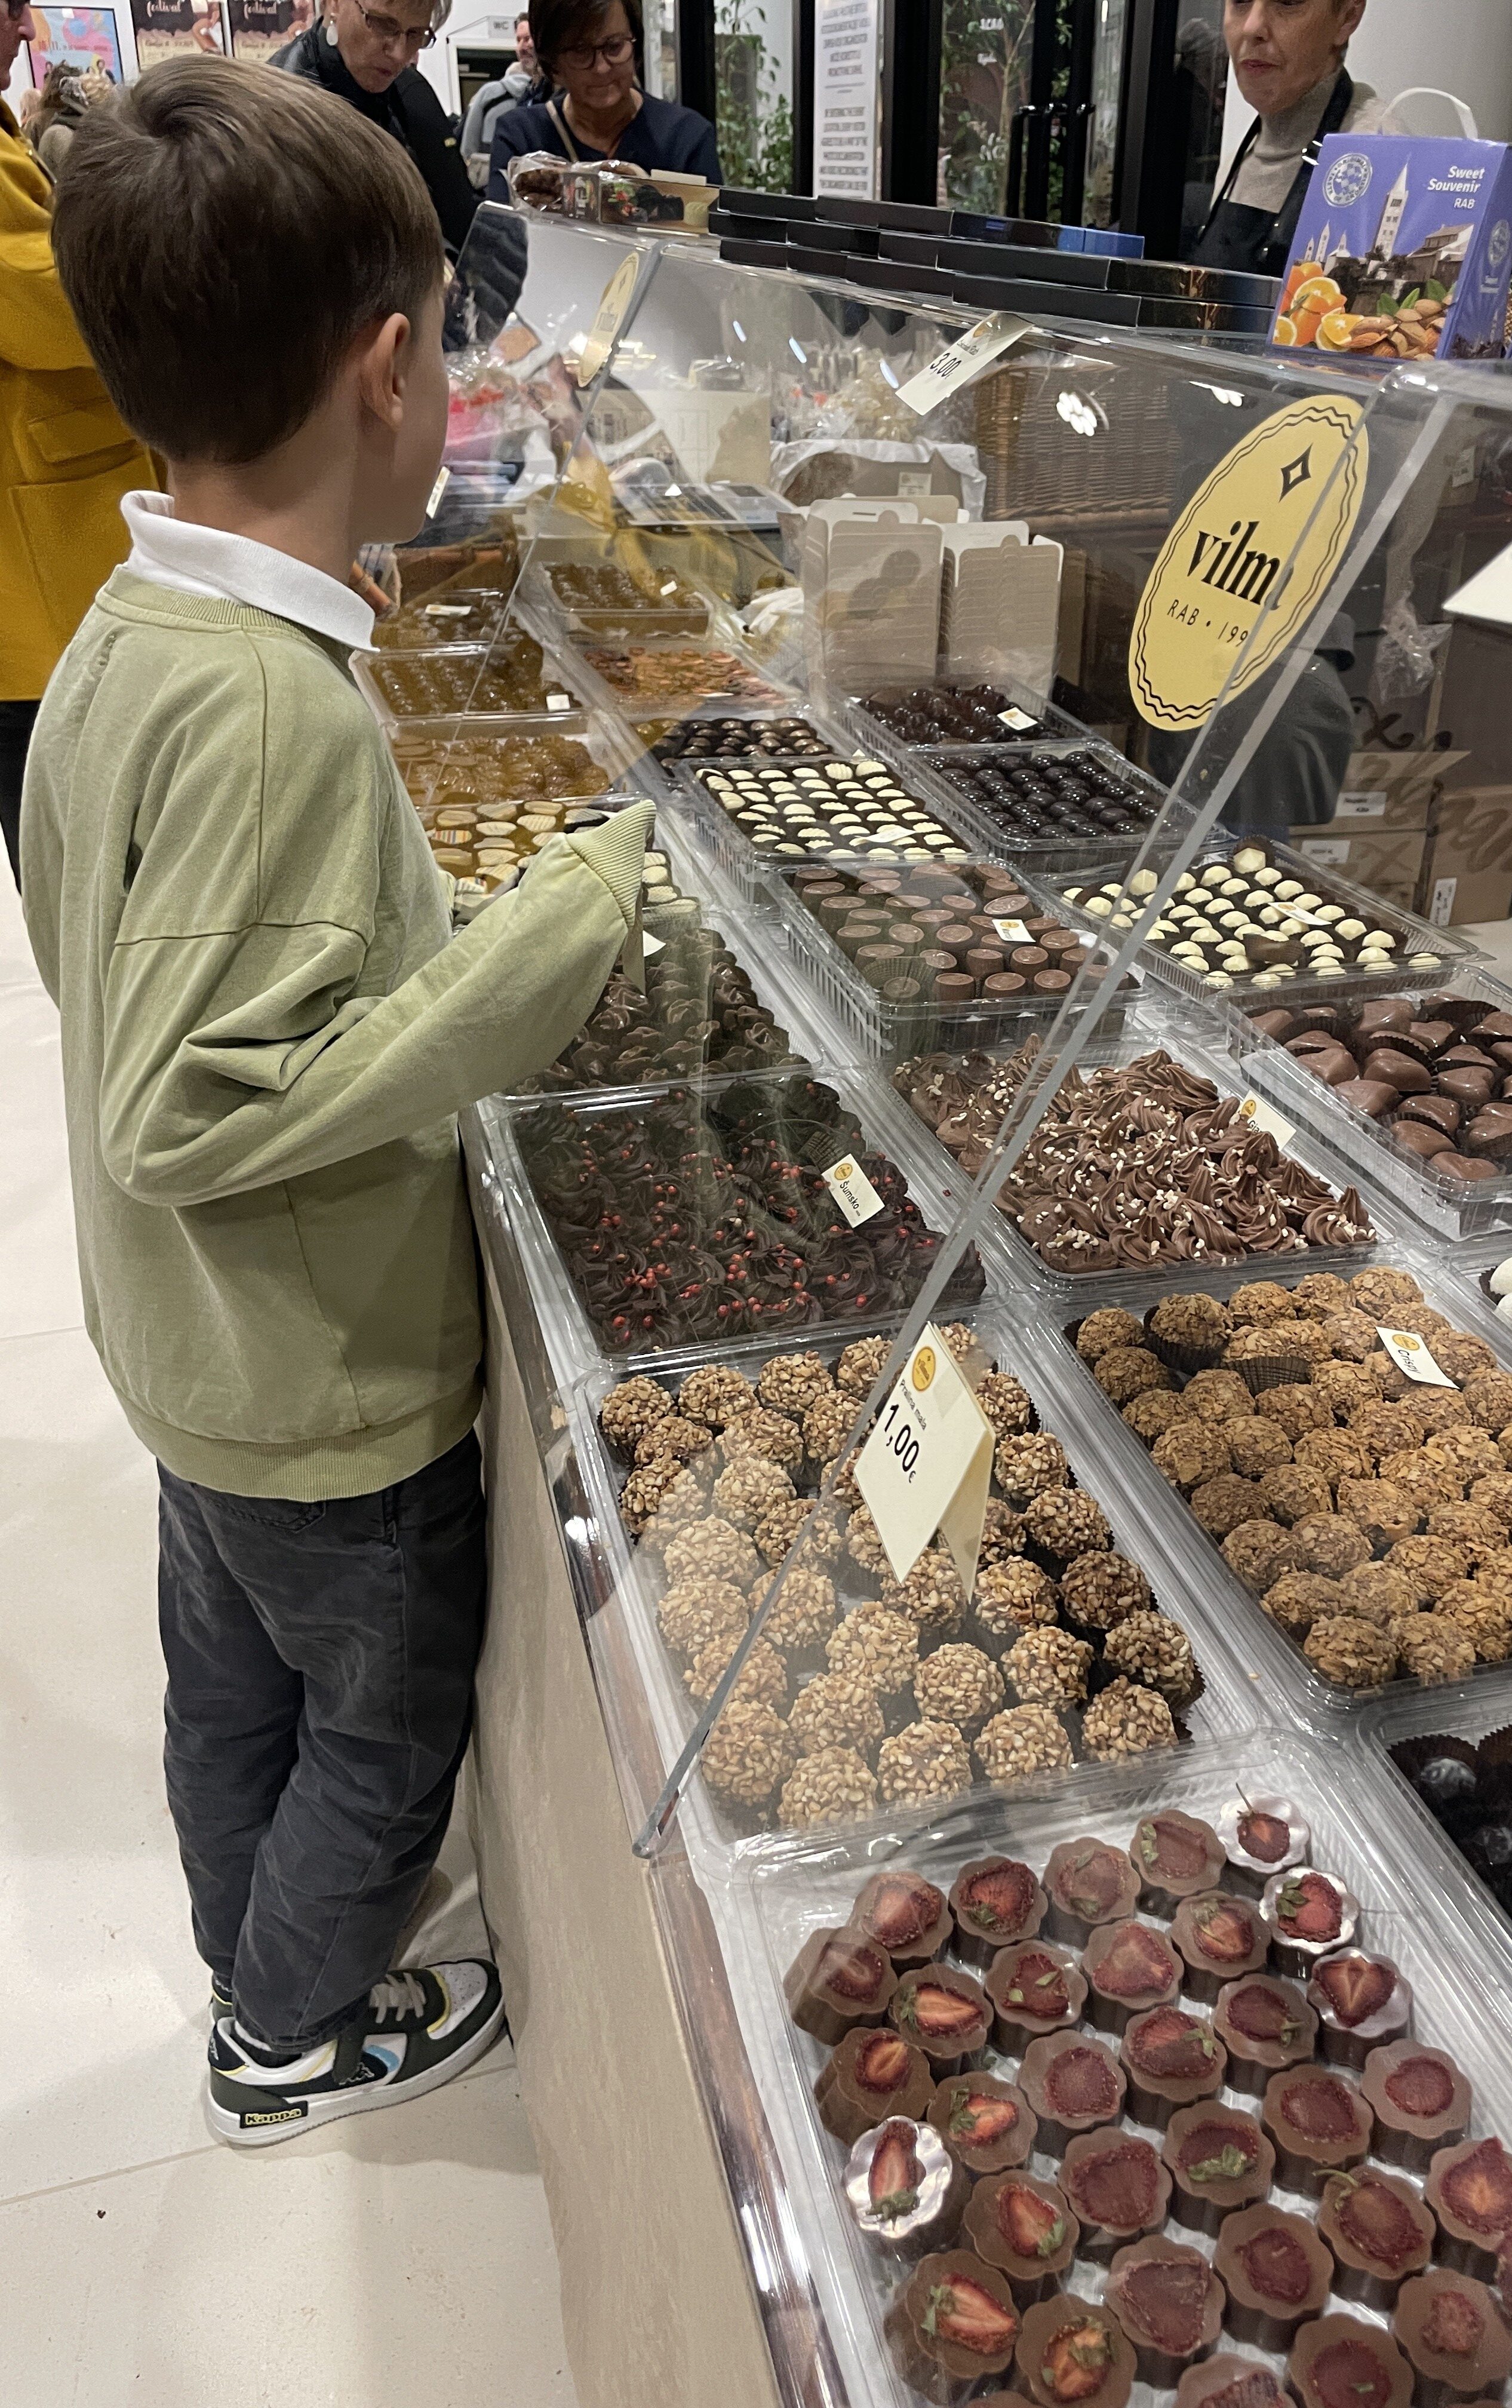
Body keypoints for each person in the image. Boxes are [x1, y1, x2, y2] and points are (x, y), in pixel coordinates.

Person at [27, 54, 654, 2146]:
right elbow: (186, 1105)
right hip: (320, 1382)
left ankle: (246, 1951)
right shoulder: (270, 709)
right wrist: (543, 943)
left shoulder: (124, 633)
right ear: (391, 371)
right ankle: (286, 2034)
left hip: (191, 1349)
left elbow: (106, 960)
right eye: (449, 347)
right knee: (378, 1726)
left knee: (230, 1684)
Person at [0, 0, 153, 889]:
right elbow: (51, 302)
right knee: (85, 873)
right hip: (41, 568)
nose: (28, 31)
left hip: (51, 547)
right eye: (10, 9)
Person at [1191, 0, 1384, 274]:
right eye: (1241, 1)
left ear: (1347, 17)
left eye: (1288, 2)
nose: (1252, 27)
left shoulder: (1379, 156)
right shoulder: (1244, 154)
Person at [272, 0, 477, 257]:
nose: (400, 54)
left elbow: (456, 218)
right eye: (382, 24)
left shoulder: (408, 89)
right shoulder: (277, 113)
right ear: (334, 4)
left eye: (416, 34)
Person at [487, 0, 719, 205]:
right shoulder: (521, 136)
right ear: (553, 64)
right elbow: (503, 237)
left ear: (636, 46)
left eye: (614, 46)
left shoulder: (686, 138)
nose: (601, 68)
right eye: (580, 50)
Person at [460, 11, 534, 159]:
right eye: (518, 40)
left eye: (527, 39)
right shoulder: (491, 95)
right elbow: (469, 152)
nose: (522, 47)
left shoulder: (557, 95)